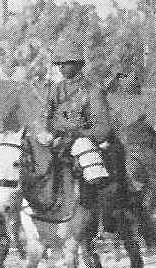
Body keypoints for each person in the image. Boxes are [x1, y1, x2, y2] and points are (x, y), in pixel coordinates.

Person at [35, 37, 111, 187]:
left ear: (79, 64)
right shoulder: (55, 89)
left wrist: (79, 134)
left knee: (89, 161)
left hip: (83, 141)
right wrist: (45, 132)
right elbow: (46, 116)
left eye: (66, 62)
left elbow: (103, 128)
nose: (61, 67)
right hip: (57, 140)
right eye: (59, 64)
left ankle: (94, 203)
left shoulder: (93, 91)